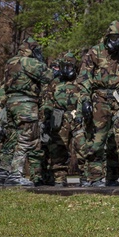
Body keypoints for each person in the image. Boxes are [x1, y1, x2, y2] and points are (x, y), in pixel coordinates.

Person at [78, 20, 119, 188]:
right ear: (107, 37)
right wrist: (85, 100)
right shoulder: (95, 52)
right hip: (100, 99)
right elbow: (84, 78)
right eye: (114, 38)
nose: (117, 41)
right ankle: (94, 177)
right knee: (97, 139)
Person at [0, 37, 53, 187]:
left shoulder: (11, 62)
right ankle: (15, 174)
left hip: (11, 104)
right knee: (26, 138)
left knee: (12, 139)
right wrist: (41, 62)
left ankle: (3, 172)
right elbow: (48, 76)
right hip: (25, 104)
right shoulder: (28, 61)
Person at [38, 52, 81, 186]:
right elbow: (47, 101)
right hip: (59, 118)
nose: (66, 69)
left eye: (69, 66)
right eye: (64, 66)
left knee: (83, 147)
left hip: (77, 117)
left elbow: (87, 98)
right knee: (58, 149)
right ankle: (59, 178)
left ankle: (88, 177)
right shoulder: (54, 83)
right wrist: (46, 117)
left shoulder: (81, 82)